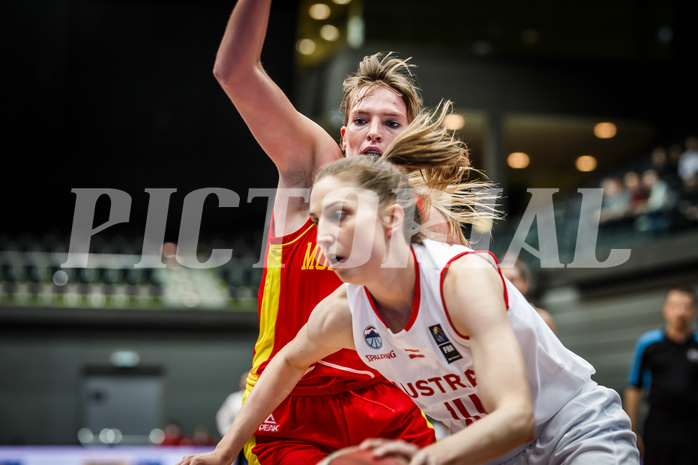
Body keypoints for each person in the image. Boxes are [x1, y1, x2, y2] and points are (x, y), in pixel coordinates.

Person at [178, 152, 638, 465]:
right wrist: (224, 451)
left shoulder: (463, 278)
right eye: (318, 221)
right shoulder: (343, 312)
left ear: (392, 217)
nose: (323, 235)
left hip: (571, 428)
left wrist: (425, 458)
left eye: (341, 214)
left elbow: (517, 418)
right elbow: (286, 362)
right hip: (487, 453)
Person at [205, 1, 492, 463]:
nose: (374, 133)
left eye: (390, 123)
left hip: (390, 404)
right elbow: (234, 71)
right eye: (362, 120)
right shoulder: (313, 170)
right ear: (344, 136)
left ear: (409, 136)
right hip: (293, 404)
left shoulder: (427, 213)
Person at [624, 286, 698, 465]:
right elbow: (634, 387)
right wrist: (631, 430)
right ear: (666, 309)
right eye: (675, 306)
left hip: (693, 424)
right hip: (659, 423)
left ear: (694, 311)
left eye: (686, 307)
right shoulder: (649, 344)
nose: (680, 312)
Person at [498, 256, 557, 335]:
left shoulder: (542, 318)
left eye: (512, 280)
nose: (508, 285)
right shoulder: (493, 320)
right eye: (503, 280)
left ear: (525, 283)